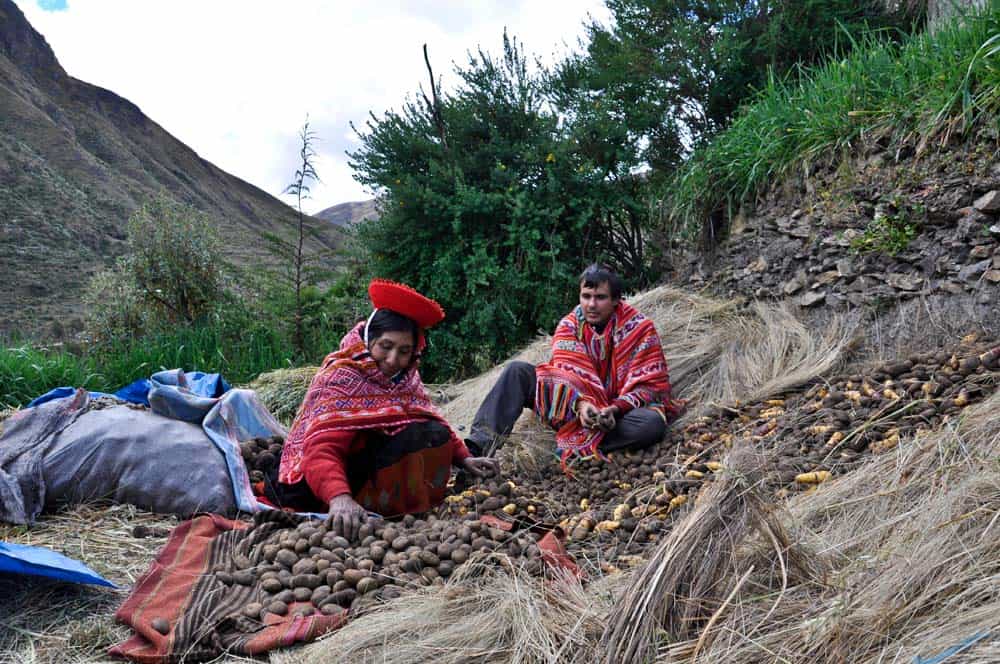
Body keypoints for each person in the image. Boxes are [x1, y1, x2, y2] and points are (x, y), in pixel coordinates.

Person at [269, 279, 498, 539]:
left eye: (404, 351)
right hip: (322, 481)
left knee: (432, 432)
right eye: (385, 347)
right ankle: (374, 508)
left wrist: (464, 457)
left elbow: (429, 415)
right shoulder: (340, 376)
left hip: (369, 466)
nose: (392, 360)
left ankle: (405, 511)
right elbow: (321, 449)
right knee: (413, 437)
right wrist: (339, 497)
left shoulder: (406, 378)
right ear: (369, 340)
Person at [465, 264, 683, 467]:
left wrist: (614, 409)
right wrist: (581, 405)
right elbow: (563, 374)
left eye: (600, 298)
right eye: (586, 296)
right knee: (516, 371)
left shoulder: (641, 329)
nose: (591, 305)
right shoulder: (569, 326)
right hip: (570, 407)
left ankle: (580, 445)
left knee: (652, 423)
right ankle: (476, 450)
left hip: (617, 414)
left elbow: (649, 387)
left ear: (616, 300)